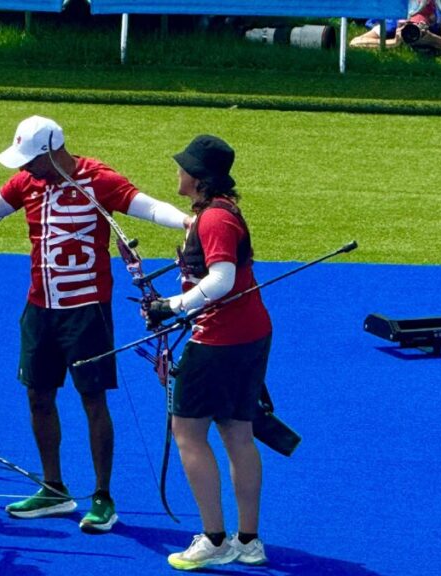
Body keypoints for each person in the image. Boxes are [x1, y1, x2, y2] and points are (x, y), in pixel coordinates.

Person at [0, 115, 190, 533]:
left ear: (54, 150)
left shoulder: (96, 178)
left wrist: (184, 221)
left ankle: (103, 496)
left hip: (87, 310)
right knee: (38, 395)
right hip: (40, 307)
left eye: (32, 160)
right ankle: (53, 489)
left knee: (93, 400)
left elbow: (145, 205)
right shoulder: (28, 182)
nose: (24, 168)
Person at [142, 135, 272, 570]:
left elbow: (220, 280)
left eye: (183, 168)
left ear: (198, 179)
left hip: (219, 340)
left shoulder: (214, 221)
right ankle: (248, 541)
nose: (176, 172)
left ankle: (215, 539)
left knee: (188, 432)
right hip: (250, 335)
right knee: (238, 432)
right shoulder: (221, 213)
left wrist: (171, 307)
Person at [350, 0, 441, 57]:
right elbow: (354, 43)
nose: (414, 27)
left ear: (432, 18)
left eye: (421, 23)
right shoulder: (393, 22)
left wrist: (433, 39)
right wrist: (393, 43)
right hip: (391, 8)